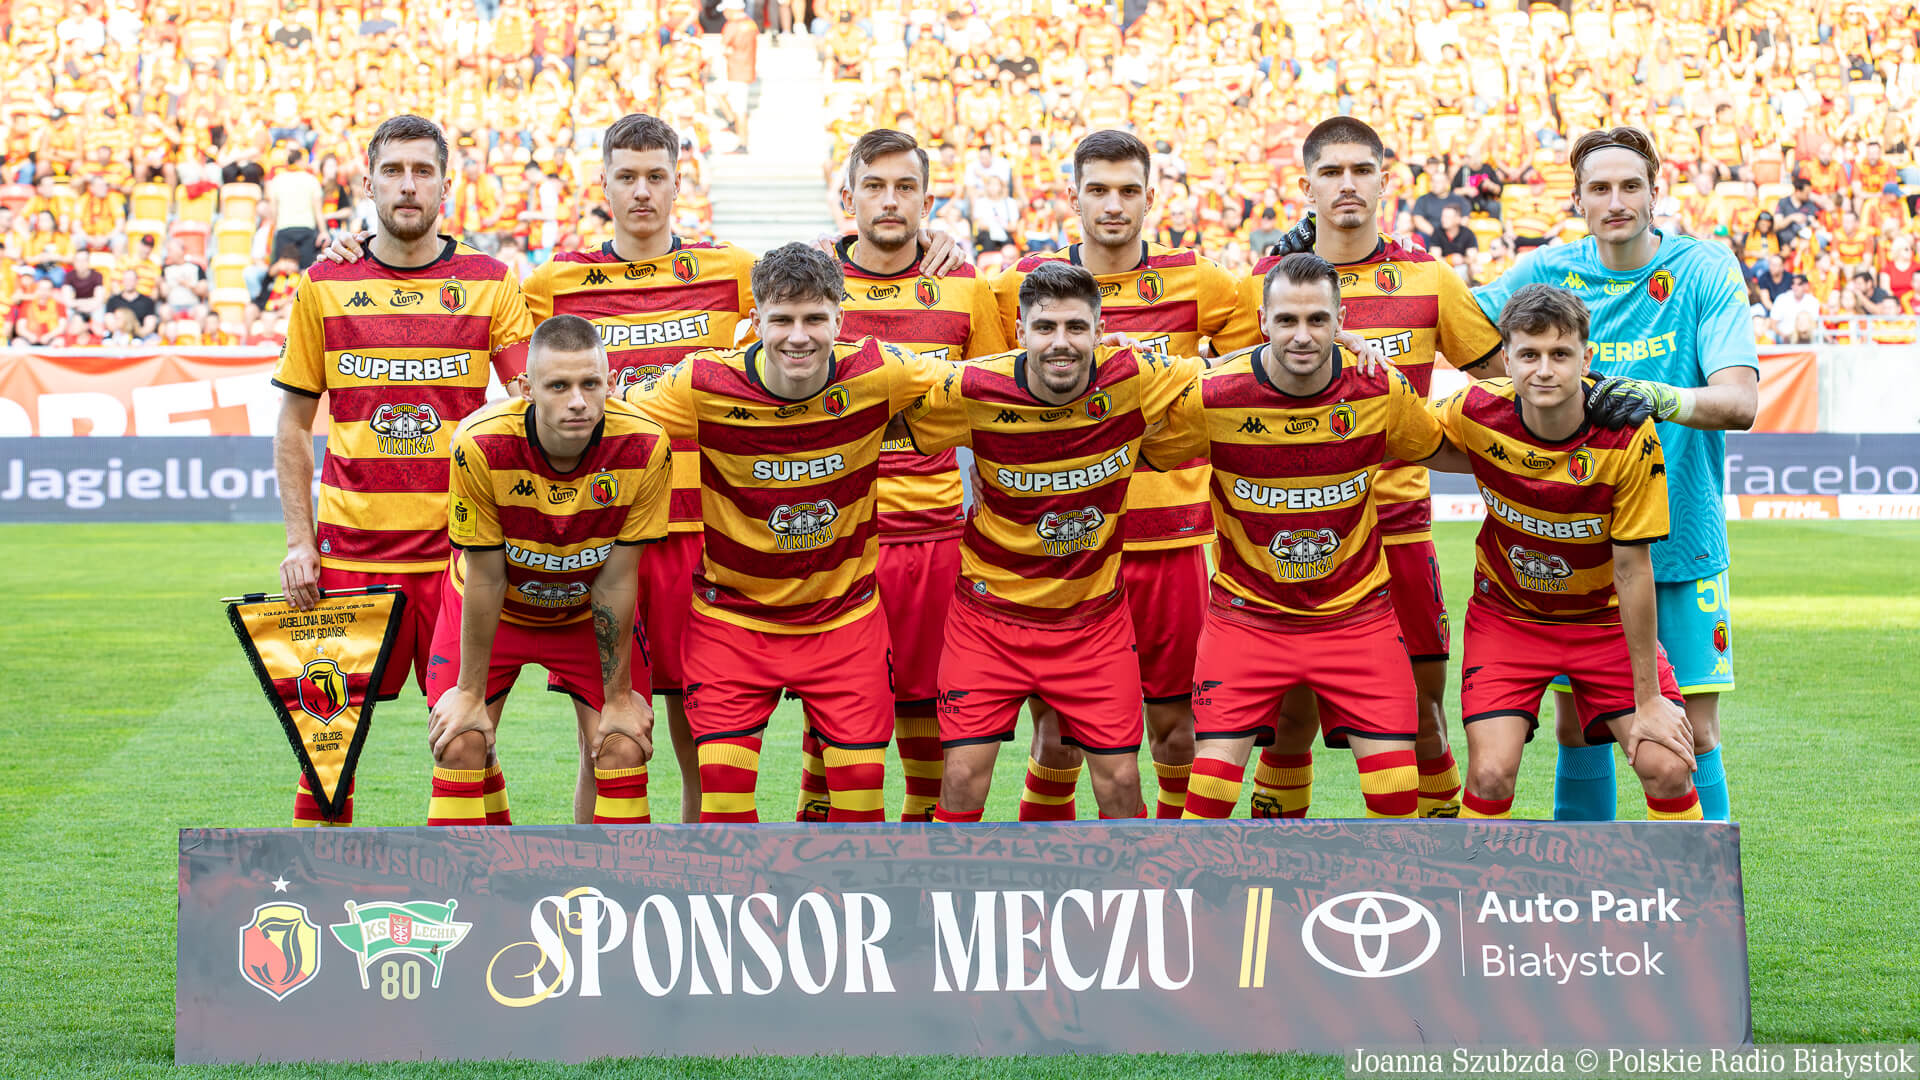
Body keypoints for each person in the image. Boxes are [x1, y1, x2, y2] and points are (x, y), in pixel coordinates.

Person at [1221, 117, 1504, 820]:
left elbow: (1504, 382)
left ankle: (1435, 861)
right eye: (1331, 172)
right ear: (1307, 186)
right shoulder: (1263, 283)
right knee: (1290, 715)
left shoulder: (1429, 277)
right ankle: (1278, 861)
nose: (1347, 184)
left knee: (1422, 709)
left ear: (1384, 180)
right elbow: (1218, 381)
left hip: (1397, 523)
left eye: (1361, 170)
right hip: (1287, 531)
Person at [1475, 126, 1758, 822]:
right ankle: (1585, 880)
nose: (1616, 201)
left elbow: (1741, 402)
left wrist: (1659, 398)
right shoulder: (1548, 270)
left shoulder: (1703, 269)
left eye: (1631, 186)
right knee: (1580, 730)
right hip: (1578, 551)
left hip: (1682, 540)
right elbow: (1456, 325)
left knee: (1692, 732)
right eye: (1599, 188)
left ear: (1656, 192)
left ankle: (1706, 884)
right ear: (1577, 199)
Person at [622, 243, 948, 823]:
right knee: (723, 797)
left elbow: (985, 386)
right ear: (755, 321)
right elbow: (609, 416)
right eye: (782, 320)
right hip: (734, 623)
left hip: (844, 621)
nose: (799, 337)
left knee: (861, 798)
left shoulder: (881, 372)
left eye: (815, 318)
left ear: (840, 319)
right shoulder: (702, 381)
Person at [271, 114, 534, 828]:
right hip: (352, 557)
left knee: (467, 736)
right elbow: (293, 425)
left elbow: (528, 404)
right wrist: (300, 542)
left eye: (423, 171)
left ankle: (484, 884)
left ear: (446, 187)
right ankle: (314, 888)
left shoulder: (490, 282)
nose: (408, 185)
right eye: (393, 171)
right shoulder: (325, 282)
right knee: (326, 748)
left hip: (459, 558)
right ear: (369, 183)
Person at [989, 130, 1246, 821]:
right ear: (1072, 197)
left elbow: (1264, 357)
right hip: (1064, 546)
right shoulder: (1018, 286)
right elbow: (975, 373)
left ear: (1150, 198)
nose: (1113, 205)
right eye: (1098, 190)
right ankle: (1053, 872)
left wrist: (1163, 369)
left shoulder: (1199, 280)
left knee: (1178, 731)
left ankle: (1168, 871)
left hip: (1169, 541)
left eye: (1129, 190)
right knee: (1059, 735)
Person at [904, 261, 1203, 822]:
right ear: (1020, 331)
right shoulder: (973, 386)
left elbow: (1239, 373)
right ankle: (943, 881)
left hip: (1093, 621)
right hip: (989, 620)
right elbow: (872, 401)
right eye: (1045, 327)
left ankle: (1140, 880)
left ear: (1100, 330)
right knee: (961, 778)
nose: (1059, 343)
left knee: (1121, 782)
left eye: (1075, 327)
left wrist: (1345, 349)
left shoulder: (1136, 375)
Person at [1150, 254, 1446, 819]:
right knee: (1210, 791)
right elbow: (1135, 441)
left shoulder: (1378, 386)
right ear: (1263, 321)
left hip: (1356, 617)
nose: (1303, 335)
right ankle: (1216, 874)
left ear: (1342, 322)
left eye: (1318, 320)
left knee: (1396, 790)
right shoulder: (1214, 395)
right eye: (1287, 320)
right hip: (1247, 619)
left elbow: (1448, 445)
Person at [789, 128, 1008, 822]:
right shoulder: (810, 283)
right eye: (875, 187)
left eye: (905, 187)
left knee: (926, 707)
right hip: (831, 534)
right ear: (847, 196)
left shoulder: (963, 286)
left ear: (927, 201)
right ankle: (823, 851)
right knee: (829, 713)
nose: (890, 201)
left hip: (931, 534)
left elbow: (995, 407)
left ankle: (918, 857)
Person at [1436, 284, 1701, 820]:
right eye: (1528, 355)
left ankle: (1681, 876)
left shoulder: (1629, 434)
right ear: (1506, 359)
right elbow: (1398, 429)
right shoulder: (1473, 409)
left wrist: (1649, 699)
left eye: (1560, 354)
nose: (1544, 370)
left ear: (1586, 356)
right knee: (1489, 775)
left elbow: (1632, 571)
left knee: (1668, 766)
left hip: (1602, 624)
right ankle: (1471, 877)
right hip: (1508, 618)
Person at [426, 314, 672, 825]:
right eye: (558, 386)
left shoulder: (647, 444)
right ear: (526, 388)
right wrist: (469, 693)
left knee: (623, 746)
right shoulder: (479, 443)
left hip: (584, 612)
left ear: (611, 383)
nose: (577, 401)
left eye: (590, 384)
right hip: (497, 609)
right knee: (460, 742)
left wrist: (619, 698)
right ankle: (476, 873)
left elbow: (617, 579)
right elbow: (488, 576)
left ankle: (608, 878)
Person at [267, 148, 326, 268]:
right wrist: (323, 231)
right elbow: (318, 211)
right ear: (300, 161)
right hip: (306, 229)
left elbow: (273, 210)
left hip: (284, 228)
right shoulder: (311, 179)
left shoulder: (277, 180)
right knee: (305, 270)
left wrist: (275, 227)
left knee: (283, 271)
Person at [103, 269, 159, 341]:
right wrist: (124, 335)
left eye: (131, 279)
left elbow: (150, 326)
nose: (128, 282)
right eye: (126, 279)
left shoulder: (147, 301)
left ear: (137, 281)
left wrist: (135, 336)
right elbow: (110, 324)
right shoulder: (113, 301)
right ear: (122, 281)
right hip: (118, 338)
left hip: (141, 338)